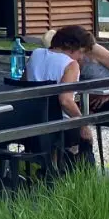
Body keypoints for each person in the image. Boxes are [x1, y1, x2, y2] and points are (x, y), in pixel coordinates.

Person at [26, 26, 97, 164]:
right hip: (56, 125)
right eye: (81, 52)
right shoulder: (70, 65)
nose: (81, 57)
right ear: (70, 46)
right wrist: (83, 124)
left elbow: (24, 83)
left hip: (29, 120)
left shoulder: (36, 54)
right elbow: (65, 101)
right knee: (85, 139)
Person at [42, 27, 109, 110]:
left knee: (70, 110)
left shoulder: (93, 49)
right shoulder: (63, 58)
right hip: (87, 97)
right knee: (59, 106)